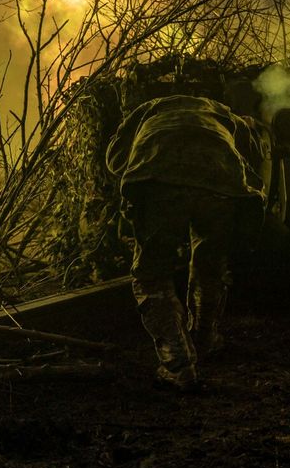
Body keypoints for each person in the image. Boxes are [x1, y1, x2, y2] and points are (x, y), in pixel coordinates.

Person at [105, 93, 269, 391]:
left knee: (151, 275)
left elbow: (115, 159)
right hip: (221, 184)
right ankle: (204, 341)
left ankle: (178, 364)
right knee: (210, 265)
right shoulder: (223, 112)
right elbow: (252, 155)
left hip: (158, 181)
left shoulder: (147, 109)